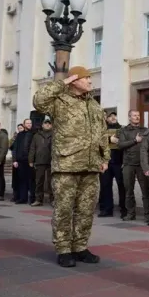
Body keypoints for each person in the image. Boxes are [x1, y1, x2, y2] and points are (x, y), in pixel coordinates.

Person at [33, 65, 109, 268]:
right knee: (64, 210)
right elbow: (38, 101)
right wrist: (62, 83)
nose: (90, 82)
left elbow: (102, 133)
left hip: (91, 165)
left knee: (86, 210)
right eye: (87, 78)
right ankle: (64, 249)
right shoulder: (59, 101)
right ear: (75, 80)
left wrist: (105, 158)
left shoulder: (93, 104)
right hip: (66, 164)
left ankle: (80, 247)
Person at [117, 110, 149, 222]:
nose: (137, 117)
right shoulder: (123, 130)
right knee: (128, 191)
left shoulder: (145, 130)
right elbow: (120, 145)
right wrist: (135, 140)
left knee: (145, 190)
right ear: (129, 117)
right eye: (134, 116)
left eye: (138, 115)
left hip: (142, 164)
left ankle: (148, 214)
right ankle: (131, 214)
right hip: (128, 164)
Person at [98, 112, 126, 218]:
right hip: (106, 162)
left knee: (122, 187)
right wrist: (109, 139)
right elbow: (97, 141)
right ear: (106, 119)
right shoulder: (102, 130)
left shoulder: (123, 129)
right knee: (105, 186)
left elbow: (128, 141)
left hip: (119, 162)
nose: (113, 117)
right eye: (110, 116)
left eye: (114, 115)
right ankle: (107, 209)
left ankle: (124, 209)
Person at [29, 119, 53, 206]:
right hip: (39, 161)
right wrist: (31, 160)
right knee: (39, 182)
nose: (47, 125)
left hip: (51, 161)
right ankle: (38, 199)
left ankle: (52, 199)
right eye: (45, 123)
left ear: (51, 125)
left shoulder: (54, 134)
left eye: (49, 124)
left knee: (51, 182)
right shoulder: (36, 135)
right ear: (42, 125)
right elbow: (32, 148)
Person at [12, 119, 34, 204]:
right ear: (24, 124)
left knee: (31, 180)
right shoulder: (19, 135)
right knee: (21, 180)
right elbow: (15, 148)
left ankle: (32, 199)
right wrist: (14, 160)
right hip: (20, 161)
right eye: (27, 123)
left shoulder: (33, 134)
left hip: (29, 161)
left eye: (30, 123)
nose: (29, 124)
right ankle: (22, 198)